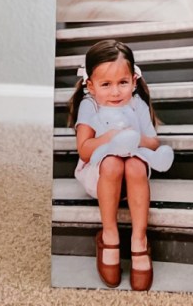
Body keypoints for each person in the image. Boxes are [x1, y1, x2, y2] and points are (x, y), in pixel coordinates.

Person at [67, 40, 174, 290]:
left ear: (133, 81)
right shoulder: (89, 105)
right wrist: (111, 138)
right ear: (90, 86)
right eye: (106, 84)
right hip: (100, 173)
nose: (116, 92)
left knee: (135, 165)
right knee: (114, 162)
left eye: (122, 83)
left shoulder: (136, 103)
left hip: (133, 176)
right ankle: (109, 235)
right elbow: (84, 150)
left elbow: (153, 142)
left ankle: (139, 240)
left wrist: (133, 139)